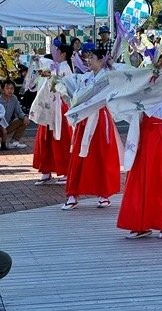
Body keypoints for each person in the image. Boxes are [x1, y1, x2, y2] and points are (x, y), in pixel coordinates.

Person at [117, 62, 162, 239]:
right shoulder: (146, 88)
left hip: (160, 135)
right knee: (141, 179)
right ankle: (141, 223)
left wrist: (160, 61)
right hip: (144, 135)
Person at [59, 48, 122, 210]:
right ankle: (72, 194)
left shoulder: (108, 77)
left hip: (100, 119)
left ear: (101, 60)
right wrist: (56, 81)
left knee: (102, 156)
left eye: (92, 57)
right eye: (87, 57)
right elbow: (71, 86)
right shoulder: (86, 77)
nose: (88, 60)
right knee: (78, 156)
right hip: (85, 119)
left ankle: (104, 194)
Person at [30, 44, 74, 185]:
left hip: (60, 107)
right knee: (45, 138)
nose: (56, 54)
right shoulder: (55, 65)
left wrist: (50, 74)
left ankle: (65, 170)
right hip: (49, 107)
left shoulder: (66, 68)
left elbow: (66, 84)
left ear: (64, 54)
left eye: (58, 52)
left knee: (61, 138)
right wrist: (38, 59)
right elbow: (45, 65)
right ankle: (46, 170)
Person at [0, 79, 29, 149]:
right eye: (7, 88)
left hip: (7, 126)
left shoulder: (14, 98)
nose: (10, 90)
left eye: (12, 88)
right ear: (2, 89)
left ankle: (14, 142)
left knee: (24, 120)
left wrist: (25, 116)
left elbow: (19, 112)